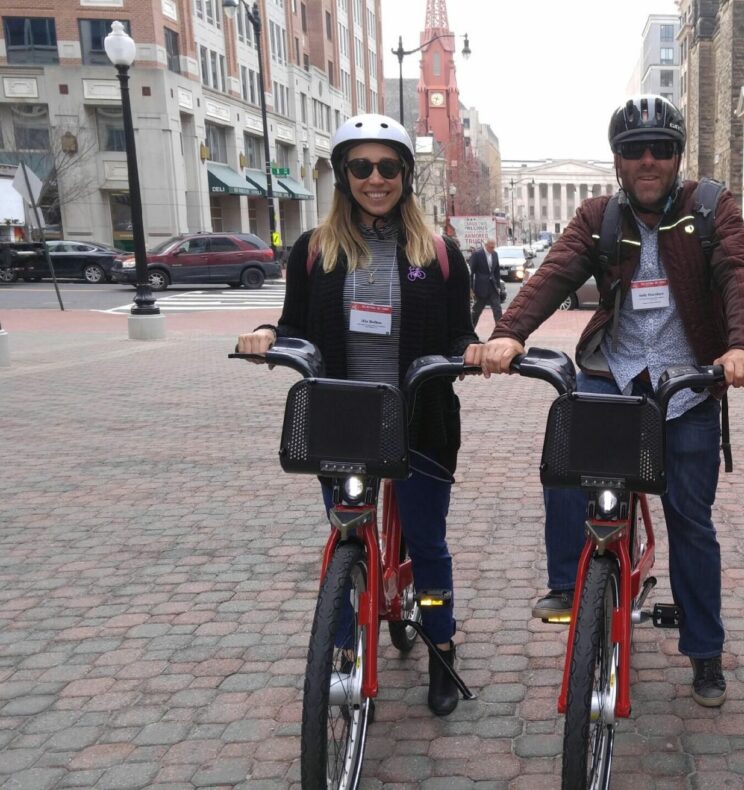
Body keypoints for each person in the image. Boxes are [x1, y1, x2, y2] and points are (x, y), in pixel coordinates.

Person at [465, 95, 744, 708]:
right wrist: (508, 333)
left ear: (677, 156)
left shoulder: (710, 207)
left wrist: (740, 346)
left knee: (691, 522)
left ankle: (705, 652)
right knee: (566, 444)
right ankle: (567, 586)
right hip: (614, 373)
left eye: (660, 148)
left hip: (687, 385)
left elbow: (736, 272)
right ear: (619, 161)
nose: (648, 160)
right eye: (634, 151)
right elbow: (555, 272)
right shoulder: (598, 215)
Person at [236, 113, 479, 717]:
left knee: (426, 541)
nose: (376, 179)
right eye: (362, 167)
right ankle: (341, 647)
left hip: (420, 415)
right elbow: (294, 322)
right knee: (348, 533)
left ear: (406, 175)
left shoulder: (440, 253)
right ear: (344, 176)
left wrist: (471, 353)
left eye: (388, 167)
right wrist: (268, 333)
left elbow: (457, 334)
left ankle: (440, 639)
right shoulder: (314, 250)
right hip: (342, 415)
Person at [469, 239, 503, 326]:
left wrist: (498, 286)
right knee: (477, 311)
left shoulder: (495, 254)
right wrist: (470, 288)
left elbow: (496, 272)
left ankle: (499, 332)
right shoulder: (477, 255)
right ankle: (471, 330)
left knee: (497, 309)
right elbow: (471, 272)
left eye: (494, 247)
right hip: (481, 288)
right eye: (491, 247)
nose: (493, 249)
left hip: (493, 287)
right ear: (486, 245)